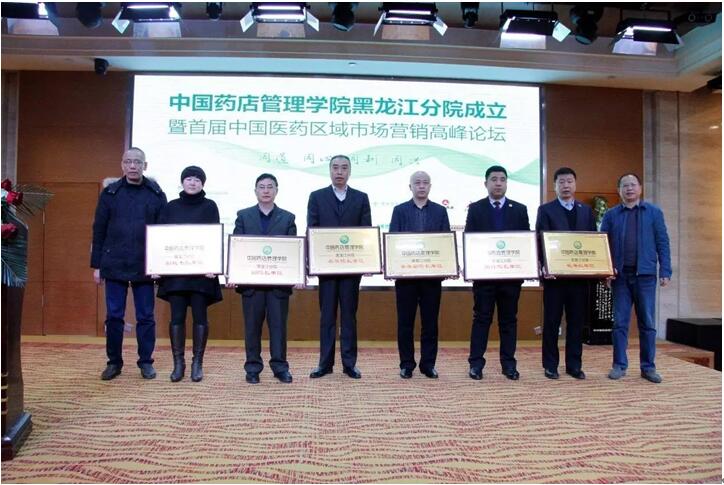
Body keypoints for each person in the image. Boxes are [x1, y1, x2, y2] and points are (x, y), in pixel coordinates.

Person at [91, 147, 167, 380]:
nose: (132, 166)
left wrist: (160, 265)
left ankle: (146, 362)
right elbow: (99, 229)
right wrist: (97, 265)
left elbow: (163, 233)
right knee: (114, 316)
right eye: (128, 162)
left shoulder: (156, 194)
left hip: (145, 264)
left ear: (145, 165)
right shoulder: (110, 192)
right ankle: (114, 362)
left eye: (137, 162)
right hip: (114, 263)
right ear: (122, 165)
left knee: (146, 317)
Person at [600, 173, 671, 384]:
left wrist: (665, 270)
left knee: (647, 323)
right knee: (619, 323)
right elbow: (603, 245)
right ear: (619, 190)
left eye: (633, 185)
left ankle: (648, 367)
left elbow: (663, 242)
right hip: (620, 277)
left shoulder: (654, 213)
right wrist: (606, 271)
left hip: (645, 276)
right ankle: (619, 365)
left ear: (640, 188)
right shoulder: (611, 215)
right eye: (625, 185)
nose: (629, 188)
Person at [307, 155, 371, 379]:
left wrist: (368, 260)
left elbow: (366, 232)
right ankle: (324, 364)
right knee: (327, 317)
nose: (339, 172)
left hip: (351, 269)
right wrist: (312, 260)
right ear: (330, 171)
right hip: (326, 268)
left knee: (349, 316)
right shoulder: (317, 197)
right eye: (335, 168)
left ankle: (349, 364)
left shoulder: (361, 198)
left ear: (350, 171)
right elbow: (312, 229)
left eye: (344, 168)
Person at [156, 166, 222, 383]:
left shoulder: (210, 206)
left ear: (203, 183)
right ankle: (178, 363)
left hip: (201, 274)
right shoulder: (170, 207)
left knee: (200, 317)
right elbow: (161, 239)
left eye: (197, 180)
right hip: (176, 273)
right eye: (188, 179)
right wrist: (157, 265)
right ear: (182, 182)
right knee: (177, 318)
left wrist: (213, 265)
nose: (192, 183)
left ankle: (197, 363)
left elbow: (214, 237)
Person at [465, 165, 530, 381]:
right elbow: (470, 240)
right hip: (484, 278)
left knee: (508, 321)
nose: (498, 183)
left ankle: (509, 365)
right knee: (481, 320)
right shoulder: (476, 208)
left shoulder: (519, 209)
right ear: (486, 183)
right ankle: (476, 364)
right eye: (494, 179)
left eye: (502, 179)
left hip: (511, 278)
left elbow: (525, 243)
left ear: (507, 183)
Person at [232, 173, 297, 384]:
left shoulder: (288, 218)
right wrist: (233, 272)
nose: (266, 190)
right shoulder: (243, 216)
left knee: (278, 328)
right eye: (262, 187)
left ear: (276, 190)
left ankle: (280, 367)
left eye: (270, 187)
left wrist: (296, 273)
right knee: (252, 328)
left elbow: (293, 251)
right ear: (255, 191)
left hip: (278, 285)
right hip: (251, 284)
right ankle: (252, 368)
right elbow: (237, 247)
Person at [535, 167, 596, 380]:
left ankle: (574, 365)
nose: (566, 185)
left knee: (576, 323)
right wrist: (543, 266)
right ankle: (550, 365)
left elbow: (593, 241)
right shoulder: (546, 210)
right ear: (555, 186)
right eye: (561, 182)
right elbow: (540, 240)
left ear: (575, 184)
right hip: (555, 279)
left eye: (569, 181)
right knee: (551, 322)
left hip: (579, 278)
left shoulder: (586, 211)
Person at [389, 171, 450, 379]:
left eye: (425, 183)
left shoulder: (440, 211)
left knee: (430, 323)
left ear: (430, 186)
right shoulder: (399, 210)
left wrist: (447, 265)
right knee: (405, 323)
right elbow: (393, 242)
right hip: (405, 278)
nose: (421, 186)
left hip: (432, 278)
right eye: (417, 183)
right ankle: (406, 364)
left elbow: (445, 242)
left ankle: (428, 364)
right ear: (410, 187)